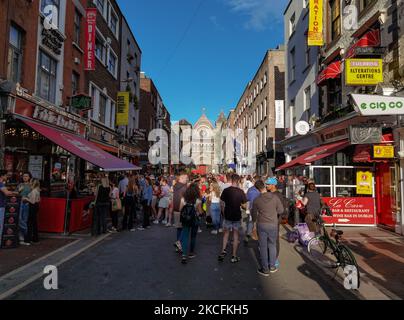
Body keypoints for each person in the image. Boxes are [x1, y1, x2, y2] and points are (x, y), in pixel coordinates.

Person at [251, 177, 284, 276]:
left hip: (261, 224)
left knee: (263, 246)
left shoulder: (257, 200)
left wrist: (253, 224)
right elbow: (281, 211)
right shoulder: (275, 197)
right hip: (273, 224)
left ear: (257, 189)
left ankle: (265, 269)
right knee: (272, 245)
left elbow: (254, 215)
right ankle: (272, 266)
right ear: (265, 186)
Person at [218, 174, 247, 264]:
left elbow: (221, 203)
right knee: (235, 235)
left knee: (226, 234)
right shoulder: (241, 192)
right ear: (238, 181)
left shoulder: (226, 190)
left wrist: (223, 212)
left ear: (231, 180)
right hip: (236, 216)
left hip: (227, 215)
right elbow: (245, 206)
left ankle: (223, 251)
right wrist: (242, 205)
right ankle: (233, 256)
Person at [179, 183, 203, 264]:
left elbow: (180, 209)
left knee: (185, 236)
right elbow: (200, 212)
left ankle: (183, 255)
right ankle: (191, 252)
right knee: (193, 236)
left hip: (185, 220)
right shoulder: (198, 200)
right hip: (194, 220)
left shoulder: (183, 199)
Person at [245, 179, 265, 244]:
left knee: (250, 222)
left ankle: (248, 236)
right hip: (258, 209)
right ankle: (258, 238)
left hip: (251, 208)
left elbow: (247, 198)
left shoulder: (250, 189)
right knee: (257, 223)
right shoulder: (259, 191)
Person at [0, 171, 18, 244]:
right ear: (2, 176)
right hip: (0, 206)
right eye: (6, 175)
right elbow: (6, 193)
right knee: (0, 225)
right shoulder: (1, 184)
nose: (7, 177)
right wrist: (16, 192)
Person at [173, 173, 188, 252]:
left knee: (179, 228)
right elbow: (186, 199)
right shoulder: (184, 187)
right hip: (182, 210)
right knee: (185, 228)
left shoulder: (175, 186)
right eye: (186, 178)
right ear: (181, 178)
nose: (187, 180)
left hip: (176, 209)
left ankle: (178, 247)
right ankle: (179, 243)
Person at [23, 179, 41, 244]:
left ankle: (28, 239)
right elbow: (38, 200)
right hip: (36, 206)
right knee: (34, 223)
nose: (29, 183)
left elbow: (32, 201)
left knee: (30, 223)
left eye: (30, 182)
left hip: (32, 207)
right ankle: (35, 238)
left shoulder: (33, 191)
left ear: (33, 183)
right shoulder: (37, 190)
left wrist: (25, 198)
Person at [17, 172, 32, 245]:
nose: (25, 177)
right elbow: (15, 193)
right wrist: (19, 191)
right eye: (23, 176)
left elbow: (33, 195)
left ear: (29, 177)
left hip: (26, 204)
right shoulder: (20, 185)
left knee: (24, 219)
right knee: (19, 219)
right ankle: (26, 233)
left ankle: (22, 238)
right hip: (19, 204)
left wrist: (27, 198)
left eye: (26, 176)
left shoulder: (31, 185)